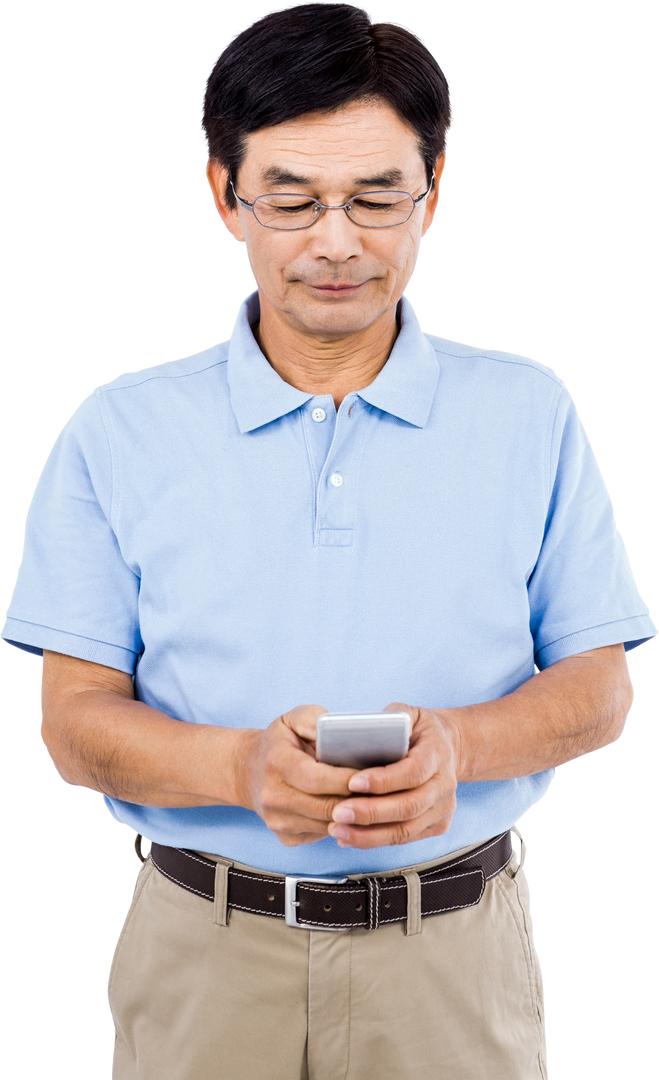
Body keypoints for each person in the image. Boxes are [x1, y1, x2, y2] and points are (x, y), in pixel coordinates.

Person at [2, 3, 655, 1078]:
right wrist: (241, 767)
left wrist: (463, 748)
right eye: (293, 200)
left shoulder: (527, 408)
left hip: (455, 956)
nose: (337, 242)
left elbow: (597, 686)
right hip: (200, 952)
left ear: (433, 191)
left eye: (375, 197)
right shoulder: (118, 426)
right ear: (225, 197)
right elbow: (73, 729)